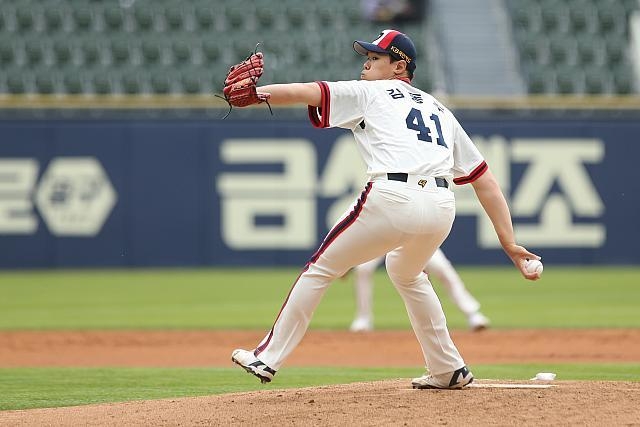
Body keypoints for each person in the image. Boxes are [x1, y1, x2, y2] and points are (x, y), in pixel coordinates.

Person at [225, 29, 541, 390]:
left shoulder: (371, 92)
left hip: (392, 197)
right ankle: (447, 368)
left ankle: (267, 357)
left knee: (321, 269)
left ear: (399, 65)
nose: (367, 63)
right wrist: (509, 242)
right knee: (407, 273)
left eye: (375, 58)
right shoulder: (439, 109)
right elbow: (484, 180)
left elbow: (306, 91)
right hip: (441, 207)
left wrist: (257, 95)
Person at [349, 248, 490, 332]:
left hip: (416, 234)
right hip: (385, 235)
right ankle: (363, 319)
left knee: (441, 268)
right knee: (363, 268)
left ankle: (473, 314)